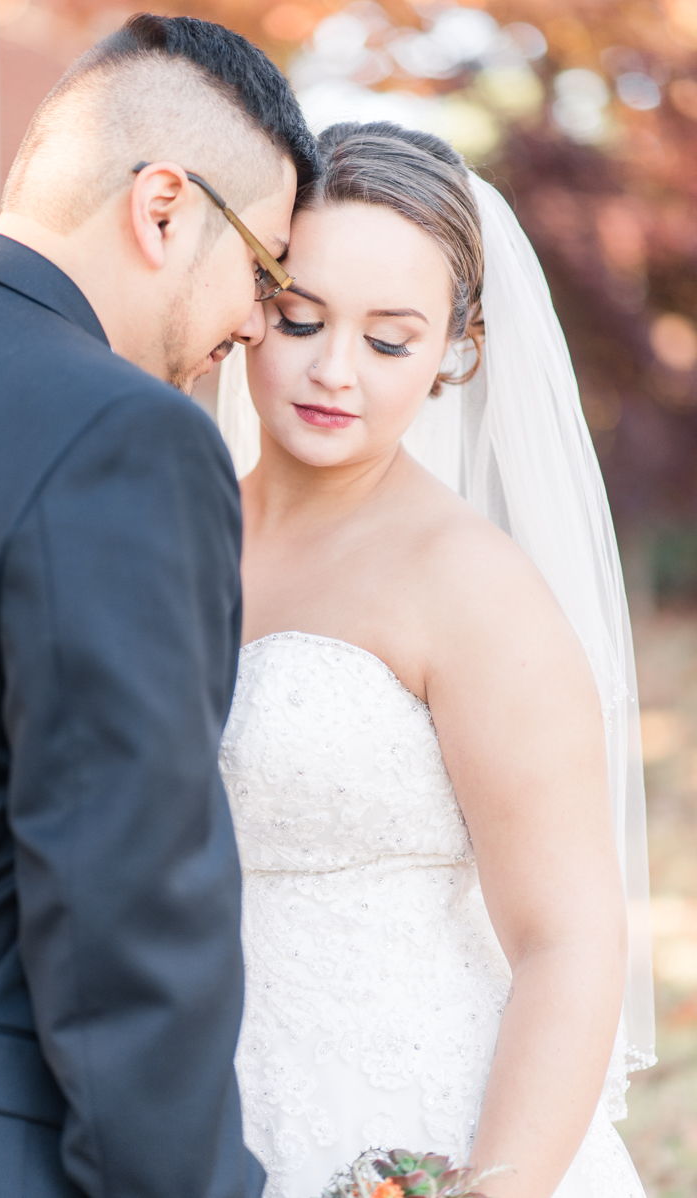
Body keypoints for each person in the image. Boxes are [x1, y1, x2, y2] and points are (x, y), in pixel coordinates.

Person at [0, 14, 316, 1198]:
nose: (253, 323)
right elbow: (127, 910)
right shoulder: (125, 438)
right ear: (165, 207)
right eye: (266, 267)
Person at [216, 122, 656, 1198]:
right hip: (196, 1116)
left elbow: (567, 938)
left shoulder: (469, 585)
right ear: (247, 305)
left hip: (417, 1135)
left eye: (388, 339)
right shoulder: (174, 530)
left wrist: (486, 1187)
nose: (332, 370)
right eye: (301, 317)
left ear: (453, 350)